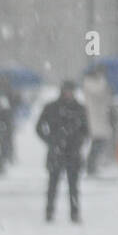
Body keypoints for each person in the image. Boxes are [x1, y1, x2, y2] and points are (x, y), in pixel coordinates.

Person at [35, 82, 90, 223]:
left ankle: (74, 213)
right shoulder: (52, 108)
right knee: (52, 184)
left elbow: (86, 130)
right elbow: (39, 127)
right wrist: (50, 140)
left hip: (73, 152)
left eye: (70, 91)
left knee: (73, 186)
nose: (68, 94)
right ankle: (49, 211)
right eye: (66, 91)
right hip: (56, 152)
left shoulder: (79, 109)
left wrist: (78, 142)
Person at [82, 68, 112, 176]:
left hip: (100, 117)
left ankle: (91, 165)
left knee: (99, 142)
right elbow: (99, 92)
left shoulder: (97, 83)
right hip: (95, 117)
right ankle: (90, 165)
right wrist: (104, 81)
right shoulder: (90, 83)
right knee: (98, 142)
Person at [0, 90, 19, 172]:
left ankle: (0, 166)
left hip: (2, 133)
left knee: (2, 150)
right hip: (3, 134)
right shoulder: (4, 112)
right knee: (2, 150)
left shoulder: (1, 112)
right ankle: (0, 166)